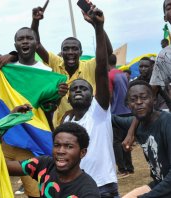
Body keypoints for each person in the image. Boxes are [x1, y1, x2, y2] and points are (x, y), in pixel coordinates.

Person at [1, 27, 68, 198]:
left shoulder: (46, 73)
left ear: (36, 44)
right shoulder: (4, 68)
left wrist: (57, 97)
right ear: (15, 44)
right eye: (20, 39)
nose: (24, 41)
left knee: (36, 192)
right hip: (5, 139)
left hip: (31, 139)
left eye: (29, 38)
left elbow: (49, 108)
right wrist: (10, 56)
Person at [61, 7, 119, 197]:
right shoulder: (66, 122)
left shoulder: (99, 110)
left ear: (94, 94)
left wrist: (98, 27)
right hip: (75, 188)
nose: (78, 90)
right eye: (74, 88)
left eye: (83, 88)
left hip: (103, 187)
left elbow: (101, 68)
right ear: (68, 98)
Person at [31, 4, 113, 128]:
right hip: (62, 126)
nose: (70, 52)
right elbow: (36, 45)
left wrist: (96, 25)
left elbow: (107, 52)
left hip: (88, 125)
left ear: (81, 53)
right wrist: (35, 21)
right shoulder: (55, 62)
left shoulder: (89, 66)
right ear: (61, 52)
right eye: (66, 49)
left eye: (74, 49)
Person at [6, 121, 100, 197]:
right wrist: (7, 123)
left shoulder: (88, 191)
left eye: (69, 146)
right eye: (57, 145)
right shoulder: (44, 165)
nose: (60, 151)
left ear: (82, 152)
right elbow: (4, 167)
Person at [112, 80, 171, 197]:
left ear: (154, 100)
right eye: (133, 100)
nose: (139, 102)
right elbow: (110, 119)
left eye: (144, 98)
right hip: (160, 183)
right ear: (128, 105)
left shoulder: (168, 123)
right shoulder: (138, 124)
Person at [108, 54, 134, 178]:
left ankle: (122, 170)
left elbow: (109, 95)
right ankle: (130, 167)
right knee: (126, 140)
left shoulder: (110, 75)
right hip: (127, 111)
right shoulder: (122, 74)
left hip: (116, 112)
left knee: (116, 142)